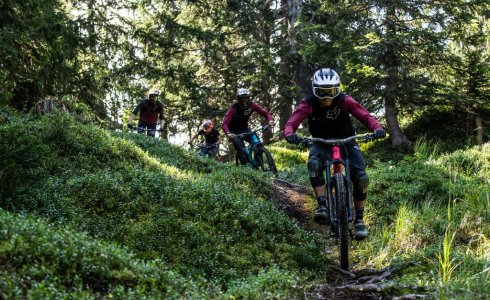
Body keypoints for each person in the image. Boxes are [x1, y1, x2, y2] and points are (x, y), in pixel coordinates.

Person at [283, 68, 386, 240]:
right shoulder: (308, 103)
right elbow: (292, 122)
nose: (327, 96)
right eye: (322, 91)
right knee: (314, 165)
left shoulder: (345, 100)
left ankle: (359, 221)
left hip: (347, 140)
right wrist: (289, 134)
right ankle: (322, 206)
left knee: (361, 177)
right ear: (315, 90)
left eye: (330, 91)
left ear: (336, 89)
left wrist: (377, 128)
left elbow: (365, 115)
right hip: (321, 142)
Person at [222, 88, 274, 166]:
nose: (244, 100)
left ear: (249, 98)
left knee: (258, 144)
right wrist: (228, 133)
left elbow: (265, 113)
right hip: (234, 132)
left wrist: (270, 120)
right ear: (238, 99)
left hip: (245, 129)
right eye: (242, 98)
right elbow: (224, 124)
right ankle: (246, 167)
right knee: (241, 151)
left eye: (246, 98)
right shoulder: (233, 108)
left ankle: (259, 162)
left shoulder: (252, 105)